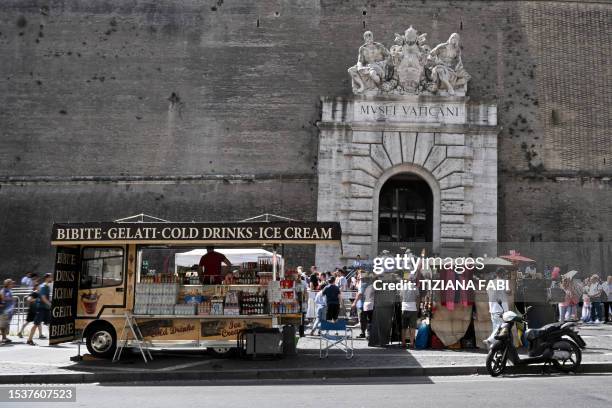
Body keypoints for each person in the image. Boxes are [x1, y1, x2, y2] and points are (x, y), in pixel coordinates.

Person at [484, 268, 509, 347]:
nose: (505, 275)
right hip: (501, 308)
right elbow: (508, 291)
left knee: (495, 327)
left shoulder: (491, 282)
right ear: (501, 274)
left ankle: (494, 346)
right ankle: (490, 340)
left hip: (492, 308)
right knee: (500, 326)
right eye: (504, 273)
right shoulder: (504, 282)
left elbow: (488, 293)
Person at [28, 273, 52, 345]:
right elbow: (43, 298)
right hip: (41, 308)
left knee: (49, 323)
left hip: (46, 308)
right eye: (51, 277)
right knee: (36, 324)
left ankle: (53, 339)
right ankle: (29, 340)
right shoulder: (44, 286)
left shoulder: (46, 286)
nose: (52, 278)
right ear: (47, 278)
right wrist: (50, 304)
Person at [400, 276, 420, 349]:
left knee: (403, 327)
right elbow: (418, 299)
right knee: (412, 327)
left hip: (404, 308)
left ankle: (403, 343)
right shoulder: (415, 287)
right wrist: (417, 308)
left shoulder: (403, 287)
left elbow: (401, 297)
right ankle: (411, 343)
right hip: (413, 309)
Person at [0, 279, 15, 343]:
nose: (12, 284)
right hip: (4, 311)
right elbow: (3, 298)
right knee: (3, 325)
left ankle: (5, 337)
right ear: (8, 284)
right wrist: (11, 298)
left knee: (6, 325)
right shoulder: (3, 290)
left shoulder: (9, 290)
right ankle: (4, 338)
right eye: (11, 283)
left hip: (9, 311)